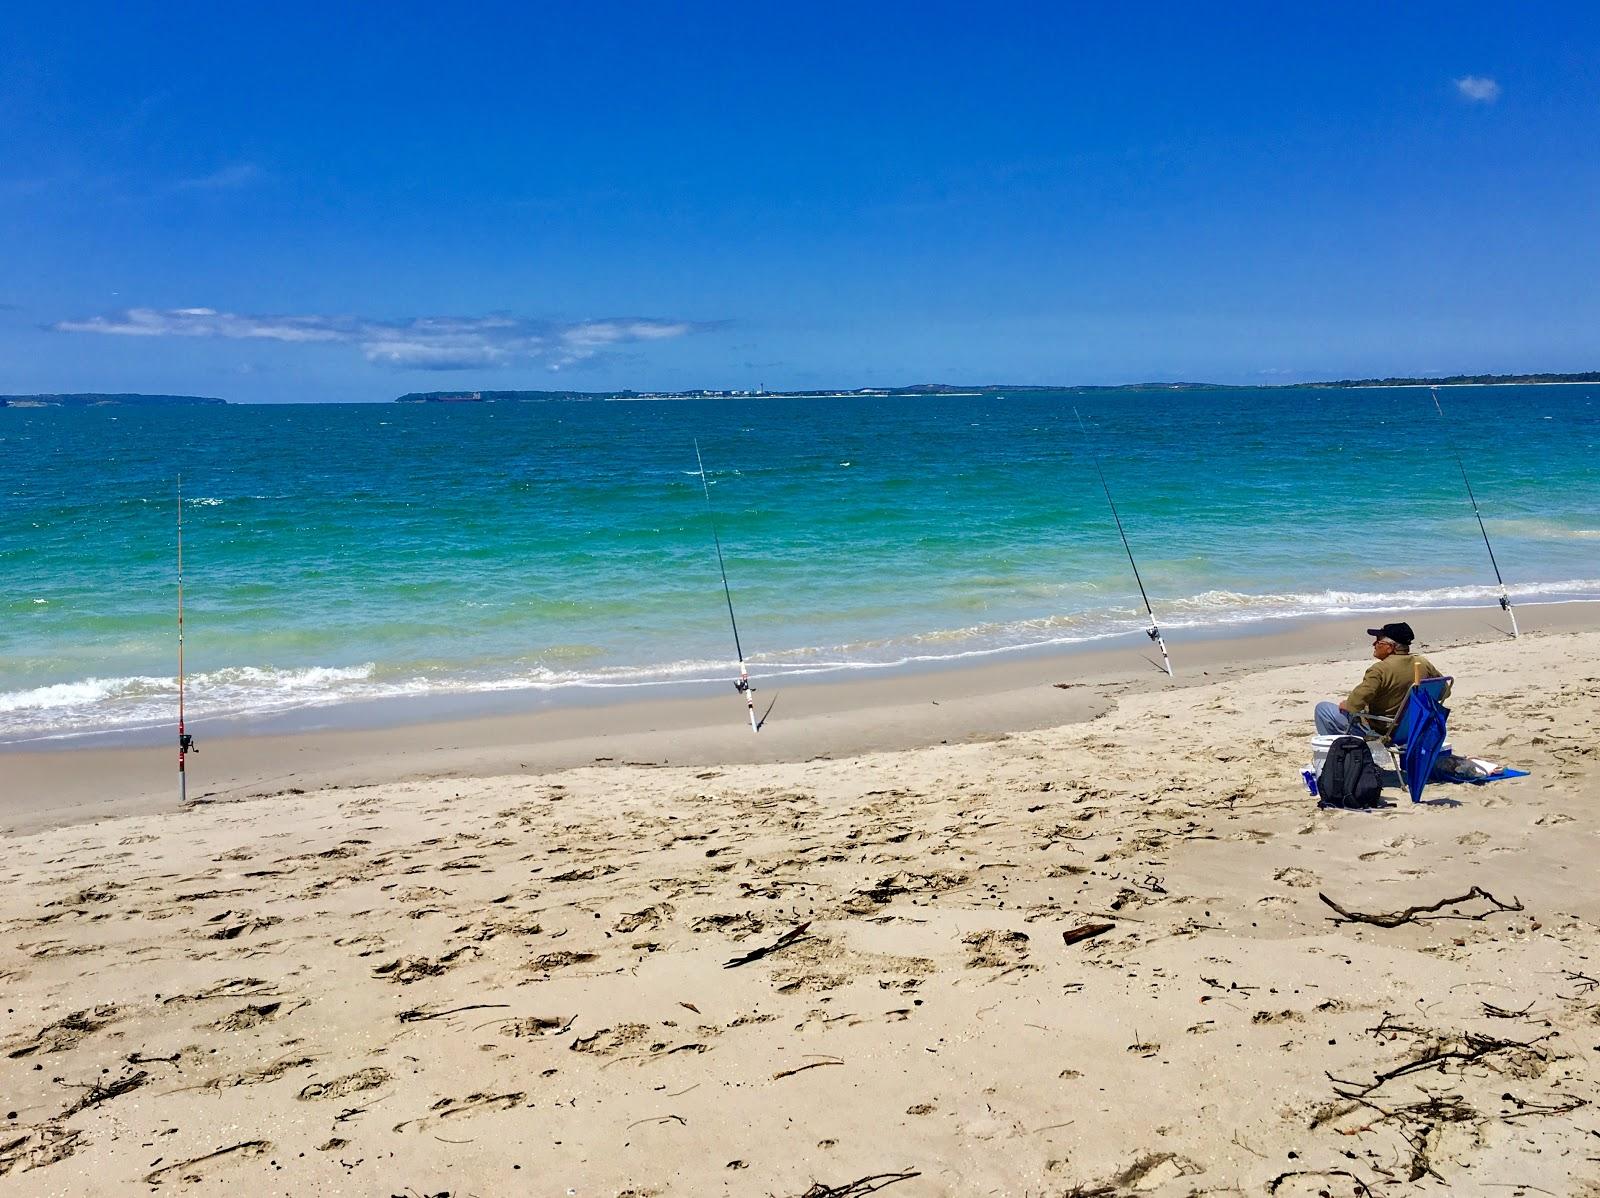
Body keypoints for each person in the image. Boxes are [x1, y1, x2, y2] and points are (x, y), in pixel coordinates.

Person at [1315, 622, 1450, 736]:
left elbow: (1353, 706)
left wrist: (1347, 705)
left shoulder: (1380, 670)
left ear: (1389, 647)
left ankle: (1336, 758)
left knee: (1323, 709)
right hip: (1414, 728)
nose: (1374, 644)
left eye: (1378, 641)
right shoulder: (1422, 663)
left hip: (1383, 730)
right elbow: (1445, 692)